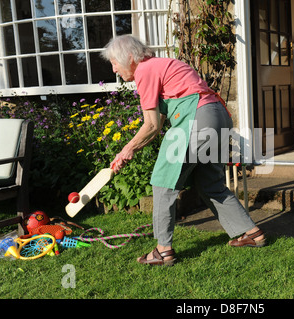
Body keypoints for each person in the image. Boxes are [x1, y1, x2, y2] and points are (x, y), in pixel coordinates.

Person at [101, 35, 265, 266]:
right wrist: (132, 149)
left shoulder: (145, 71)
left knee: (163, 182)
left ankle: (162, 250)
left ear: (129, 57)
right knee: (210, 184)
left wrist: (127, 149)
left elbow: (151, 125)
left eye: (114, 62)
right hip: (218, 116)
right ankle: (251, 233)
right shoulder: (164, 65)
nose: (114, 69)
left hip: (195, 120)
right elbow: (158, 121)